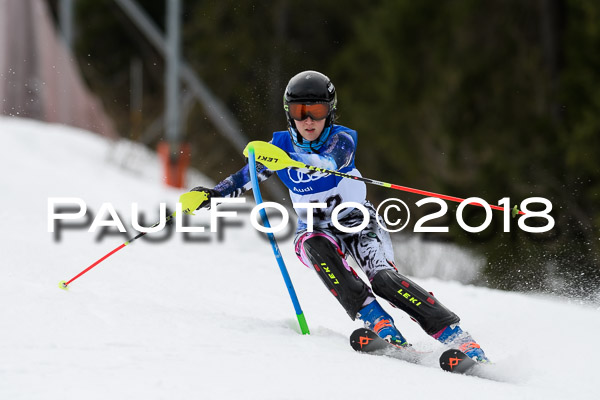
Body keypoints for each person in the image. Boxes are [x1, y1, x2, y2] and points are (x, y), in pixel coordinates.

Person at [189, 70, 489, 362]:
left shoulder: (341, 138)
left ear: (329, 112)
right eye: (299, 110)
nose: (308, 120)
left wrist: (290, 159)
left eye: (316, 111)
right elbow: (243, 179)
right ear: (289, 113)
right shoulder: (278, 146)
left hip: (359, 223)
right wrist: (210, 195)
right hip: (317, 228)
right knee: (312, 244)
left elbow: (332, 161)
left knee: (383, 280)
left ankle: (457, 336)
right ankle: (377, 322)